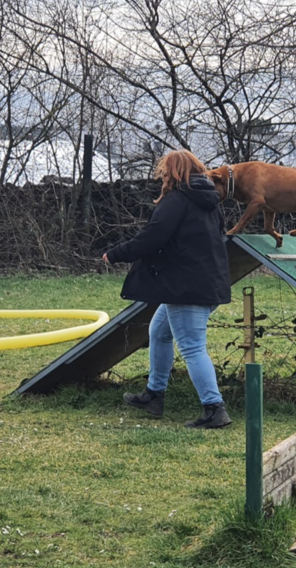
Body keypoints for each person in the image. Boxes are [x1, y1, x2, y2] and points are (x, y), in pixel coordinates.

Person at [103, 149, 232, 428]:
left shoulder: (177, 200)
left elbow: (152, 237)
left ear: (172, 172)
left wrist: (115, 253)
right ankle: (154, 394)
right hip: (208, 282)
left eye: (163, 171)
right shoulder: (211, 202)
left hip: (187, 288)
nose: (161, 176)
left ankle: (214, 409)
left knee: (192, 348)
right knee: (159, 332)